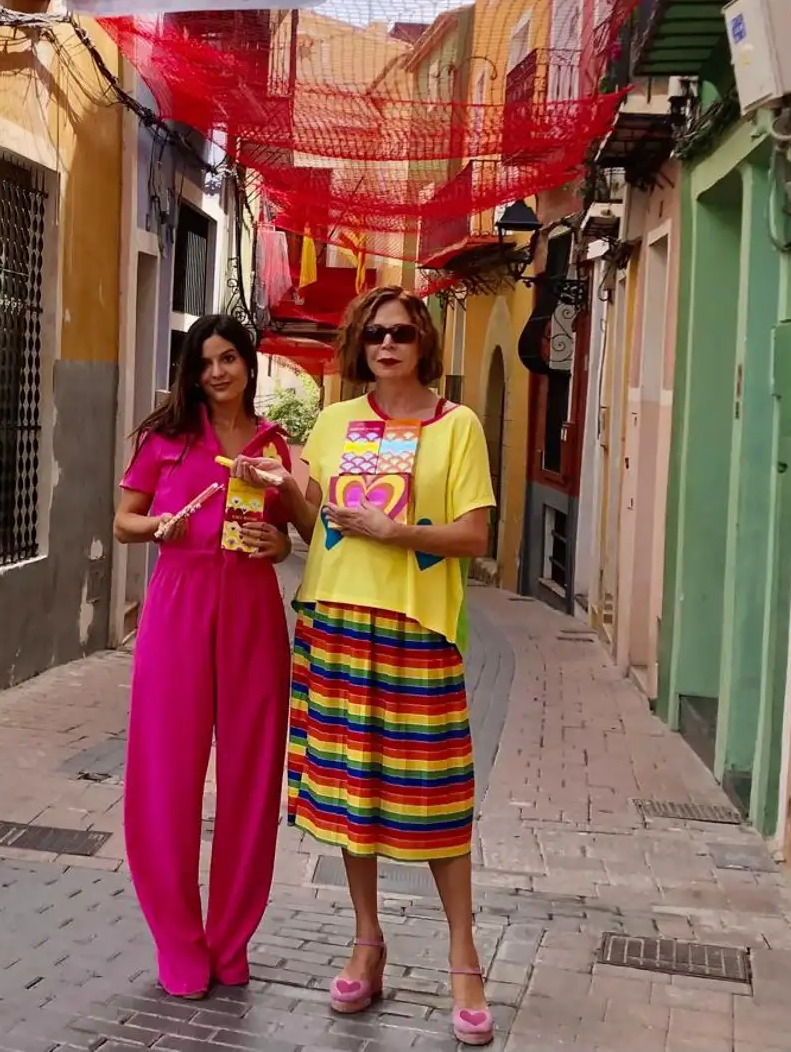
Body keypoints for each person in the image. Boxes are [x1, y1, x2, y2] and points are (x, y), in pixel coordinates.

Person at [237, 286, 498, 1044]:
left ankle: (464, 958)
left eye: (402, 334)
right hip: (335, 619)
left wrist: (395, 529)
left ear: (424, 344)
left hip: (416, 628)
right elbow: (314, 519)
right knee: (356, 791)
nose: (387, 345)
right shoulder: (333, 423)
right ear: (359, 344)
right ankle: (366, 940)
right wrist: (279, 488)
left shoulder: (459, 427)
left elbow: (476, 535)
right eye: (375, 334)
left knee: (439, 796)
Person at [113, 314, 295, 999]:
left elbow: (295, 531)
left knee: (251, 782)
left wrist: (281, 546)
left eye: (228, 358)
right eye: (204, 360)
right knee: (166, 775)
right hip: (178, 609)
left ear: (249, 364)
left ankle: (230, 938)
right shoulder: (167, 439)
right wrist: (158, 524)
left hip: (253, 614)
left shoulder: (275, 444)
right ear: (191, 370)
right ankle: (178, 938)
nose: (216, 371)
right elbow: (123, 519)